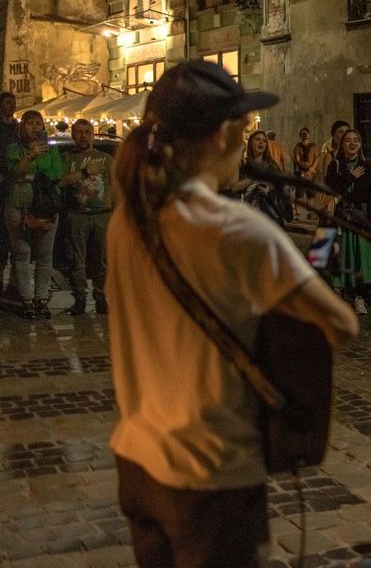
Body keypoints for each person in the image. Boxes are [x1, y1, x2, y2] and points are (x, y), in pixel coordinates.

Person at [107, 60, 358, 567]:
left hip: (137, 460)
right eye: (245, 136)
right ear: (223, 135)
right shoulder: (235, 230)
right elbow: (340, 323)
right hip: (210, 474)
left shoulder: (126, 218)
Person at [4, 110, 65, 319]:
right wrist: (30, 156)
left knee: (44, 256)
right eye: (30, 123)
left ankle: (41, 299)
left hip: (45, 208)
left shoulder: (51, 150)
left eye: (38, 123)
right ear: (22, 126)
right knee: (22, 254)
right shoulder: (14, 149)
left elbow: (57, 174)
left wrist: (29, 173)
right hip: (18, 206)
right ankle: (27, 300)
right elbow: (13, 173)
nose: (34, 127)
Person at [324, 128, 371, 316]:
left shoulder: (367, 167)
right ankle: (339, 297)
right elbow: (332, 188)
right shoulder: (336, 165)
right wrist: (351, 177)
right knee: (343, 256)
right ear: (342, 144)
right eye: (348, 140)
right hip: (342, 218)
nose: (352, 143)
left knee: (362, 257)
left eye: (356, 140)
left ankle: (359, 297)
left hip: (361, 218)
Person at [61, 119, 114, 316]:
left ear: (93, 134)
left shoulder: (106, 159)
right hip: (77, 216)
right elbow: (61, 181)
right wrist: (84, 172)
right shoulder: (67, 159)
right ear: (73, 135)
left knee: (101, 261)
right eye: (79, 132)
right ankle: (80, 298)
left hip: (102, 215)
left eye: (87, 132)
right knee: (77, 260)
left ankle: (101, 297)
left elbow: (115, 187)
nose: (83, 136)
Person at [234, 130, 293, 228]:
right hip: (249, 214)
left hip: (270, 215)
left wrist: (269, 192)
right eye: (257, 139)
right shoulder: (243, 164)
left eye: (264, 140)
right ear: (251, 143)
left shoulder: (272, 166)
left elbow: (283, 191)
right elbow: (234, 187)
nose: (261, 142)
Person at [0, 91, 20, 298]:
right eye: (7, 103)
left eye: (13, 103)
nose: (11, 106)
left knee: (17, 238)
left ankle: (15, 284)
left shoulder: (18, 128)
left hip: (15, 186)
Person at [292, 126, 318, 210]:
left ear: (309, 135)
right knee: (299, 193)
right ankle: (297, 212)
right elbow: (297, 159)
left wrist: (311, 169)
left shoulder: (313, 147)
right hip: (301, 172)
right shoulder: (297, 147)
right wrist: (305, 169)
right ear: (300, 136)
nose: (305, 135)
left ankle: (309, 211)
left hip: (311, 172)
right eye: (303, 134)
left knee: (311, 194)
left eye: (306, 133)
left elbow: (316, 158)